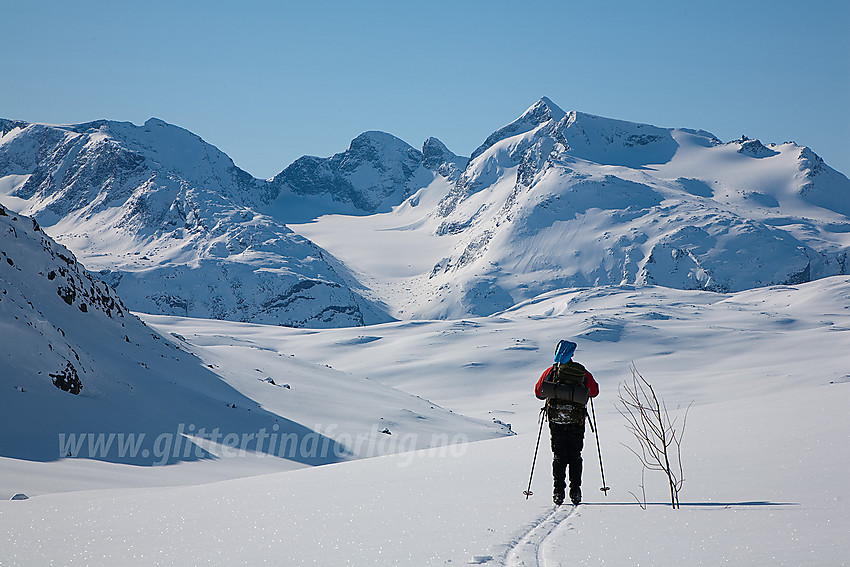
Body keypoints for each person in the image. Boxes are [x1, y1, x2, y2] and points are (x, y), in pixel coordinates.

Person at [534, 340, 599, 506]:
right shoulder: (581, 372)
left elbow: (538, 392)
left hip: (556, 421)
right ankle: (575, 491)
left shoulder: (551, 371)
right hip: (576, 421)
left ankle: (558, 492)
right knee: (575, 456)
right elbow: (594, 392)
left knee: (559, 456)